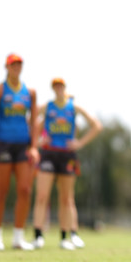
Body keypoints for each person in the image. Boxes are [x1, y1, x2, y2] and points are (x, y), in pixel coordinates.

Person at [31, 78, 102, 250]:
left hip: (67, 155)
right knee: (42, 195)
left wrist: (80, 143)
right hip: (48, 154)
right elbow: (30, 120)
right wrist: (39, 141)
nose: (59, 89)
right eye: (55, 86)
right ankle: (38, 236)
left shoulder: (74, 107)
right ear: (53, 89)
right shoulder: (47, 107)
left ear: (65, 88)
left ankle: (66, 236)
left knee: (67, 198)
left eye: (61, 86)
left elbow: (96, 125)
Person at [0, 53, 39, 250]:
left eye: (19, 65)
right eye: (12, 65)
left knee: (25, 189)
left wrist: (34, 146)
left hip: (22, 146)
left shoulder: (30, 92)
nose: (16, 68)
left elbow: (34, 121)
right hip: (3, 144)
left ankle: (18, 237)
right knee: (1, 191)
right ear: (6, 67)